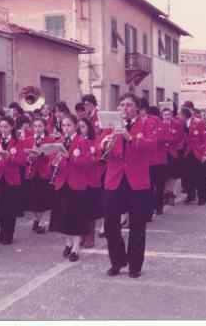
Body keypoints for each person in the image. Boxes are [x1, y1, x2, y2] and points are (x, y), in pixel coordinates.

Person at [101, 93, 157, 278]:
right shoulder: (110, 126)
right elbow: (102, 151)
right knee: (110, 223)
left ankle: (135, 266)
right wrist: (104, 145)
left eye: (129, 105)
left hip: (137, 181)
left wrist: (129, 137)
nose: (125, 108)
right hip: (115, 178)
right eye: (122, 105)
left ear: (136, 108)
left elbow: (151, 145)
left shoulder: (146, 123)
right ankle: (117, 261)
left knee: (138, 225)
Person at [49, 114, 92, 262]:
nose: (66, 128)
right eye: (64, 125)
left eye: (69, 125)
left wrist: (70, 157)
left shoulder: (82, 141)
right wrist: (54, 162)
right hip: (61, 182)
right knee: (62, 216)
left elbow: (87, 163)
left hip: (76, 183)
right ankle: (67, 243)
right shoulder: (59, 141)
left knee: (76, 216)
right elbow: (53, 161)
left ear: (75, 126)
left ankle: (75, 247)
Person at [0, 116, 26, 245]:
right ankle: (3, 229)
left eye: (6, 127)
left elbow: (22, 161)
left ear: (11, 127)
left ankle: (8, 234)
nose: (3, 129)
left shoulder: (18, 142)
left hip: (12, 178)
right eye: (1, 126)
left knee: (10, 209)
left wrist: (9, 157)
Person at [22, 117, 55, 234]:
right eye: (35, 126)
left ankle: (41, 222)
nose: (37, 129)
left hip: (43, 172)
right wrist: (28, 157)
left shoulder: (49, 140)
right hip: (31, 172)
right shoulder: (27, 140)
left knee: (42, 199)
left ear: (44, 127)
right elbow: (22, 157)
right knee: (32, 199)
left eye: (40, 126)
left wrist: (41, 153)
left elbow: (52, 156)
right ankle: (37, 219)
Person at [77, 117, 102, 248]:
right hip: (79, 180)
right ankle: (82, 235)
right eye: (80, 127)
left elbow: (97, 158)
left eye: (84, 127)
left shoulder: (95, 141)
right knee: (80, 210)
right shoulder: (77, 140)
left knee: (90, 212)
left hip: (92, 180)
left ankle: (90, 237)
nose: (81, 130)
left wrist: (87, 157)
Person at [182, 106, 206, 205]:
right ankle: (191, 195)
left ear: (184, 115)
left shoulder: (199, 122)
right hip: (188, 152)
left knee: (201, 177)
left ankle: (202, 198)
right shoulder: (182, 123)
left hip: (198, 152)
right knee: (188, 176)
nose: (179, 116)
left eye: (180, 114)